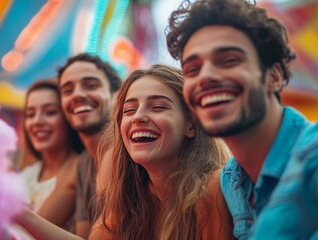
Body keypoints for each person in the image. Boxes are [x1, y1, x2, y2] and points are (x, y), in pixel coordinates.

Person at [166, 0, 317, 238]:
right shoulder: (231, 181)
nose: (205, 77)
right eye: (192, 69)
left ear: (274, 77)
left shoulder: (313, 155)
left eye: (229, 60)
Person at [89, 64, 234, 240]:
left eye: (158, 107)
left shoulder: (216, 189)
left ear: (191, 125)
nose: (138, 117)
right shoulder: (132, 200)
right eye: (129, 110)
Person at [57, 53, 122, 238]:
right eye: (68, 90)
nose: (77, 94)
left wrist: (20, 214)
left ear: (117, 96)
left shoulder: (129, 155)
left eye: (91, 85)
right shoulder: (85, 162)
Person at [13, 78, 84, 238]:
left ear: (68, 118)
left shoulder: (79, 168)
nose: (37, 121)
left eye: (50, 112)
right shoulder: (29, 171)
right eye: (31, 114)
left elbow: (26, 235)